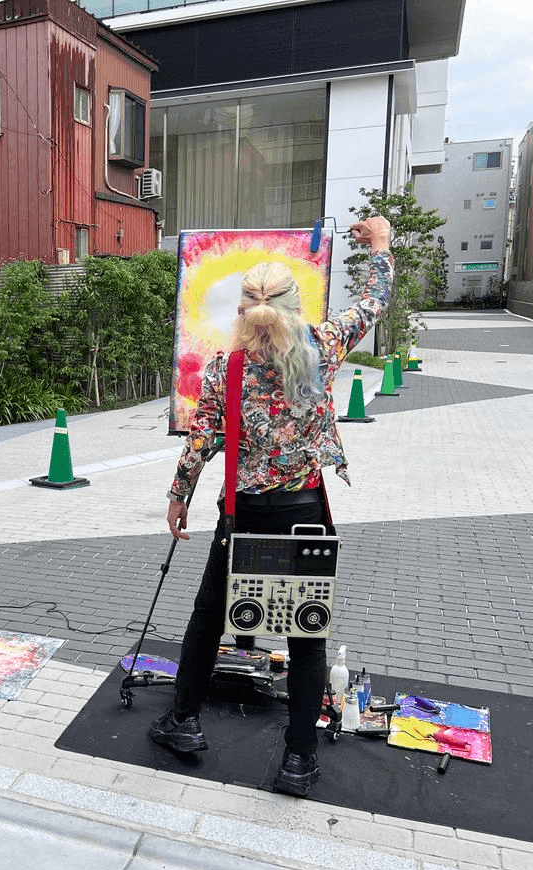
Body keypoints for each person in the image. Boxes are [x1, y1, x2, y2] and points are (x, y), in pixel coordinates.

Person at [150, 216, 393, 798]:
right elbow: (375, 301)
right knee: (307, 639)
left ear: (244, 309)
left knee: (209, 619)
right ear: (292, 304)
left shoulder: (224, 369)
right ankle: (298, 760)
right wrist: (380, 246)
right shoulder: (324, 346)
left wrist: (179, 497)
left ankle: (183, 722)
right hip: (305, 515)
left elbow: (200, 442)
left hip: (244, 518)